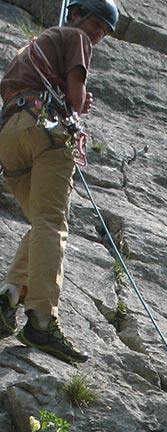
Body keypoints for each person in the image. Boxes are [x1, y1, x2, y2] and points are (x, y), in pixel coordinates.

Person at [0, 0, 118, 364]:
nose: (95, 36)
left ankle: (8, 297)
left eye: (101, 33)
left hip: (10, 134)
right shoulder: (75, 37)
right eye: (95, 25)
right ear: (76, 15)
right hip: (46, 130)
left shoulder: (32, 47)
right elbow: (76, 94)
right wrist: (80, 104)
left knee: (40, 223)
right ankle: (41, 320)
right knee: (52, 223)